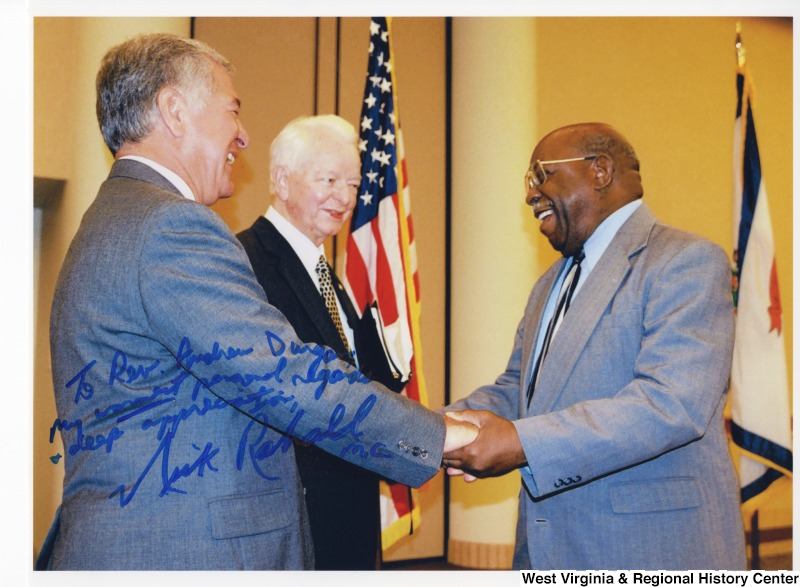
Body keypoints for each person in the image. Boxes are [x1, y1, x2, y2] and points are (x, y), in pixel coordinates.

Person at [37, 33, 476, 571]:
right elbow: (285, 375)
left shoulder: (113, 218)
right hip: (182, 552)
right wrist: (445, 435)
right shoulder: (170, 225)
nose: (242, 135)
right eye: (232, 111)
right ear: (174, 110)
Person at [442, 123, 746, 570]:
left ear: (599, 170)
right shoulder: (549, 283)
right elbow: (518, 390)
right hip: (548, 552)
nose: (531, 194)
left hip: (651, 552)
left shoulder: (685, 260)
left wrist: (521, 442)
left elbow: (671, 404)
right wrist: (434, 427)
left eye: (541, 175)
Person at [237, 115, 403, 570]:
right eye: (328, 179)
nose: (345, 197)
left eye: (352, 184)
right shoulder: (246, 261)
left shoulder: (324, 271)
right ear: (281, 180)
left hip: (346, 509)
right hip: (296, 515)